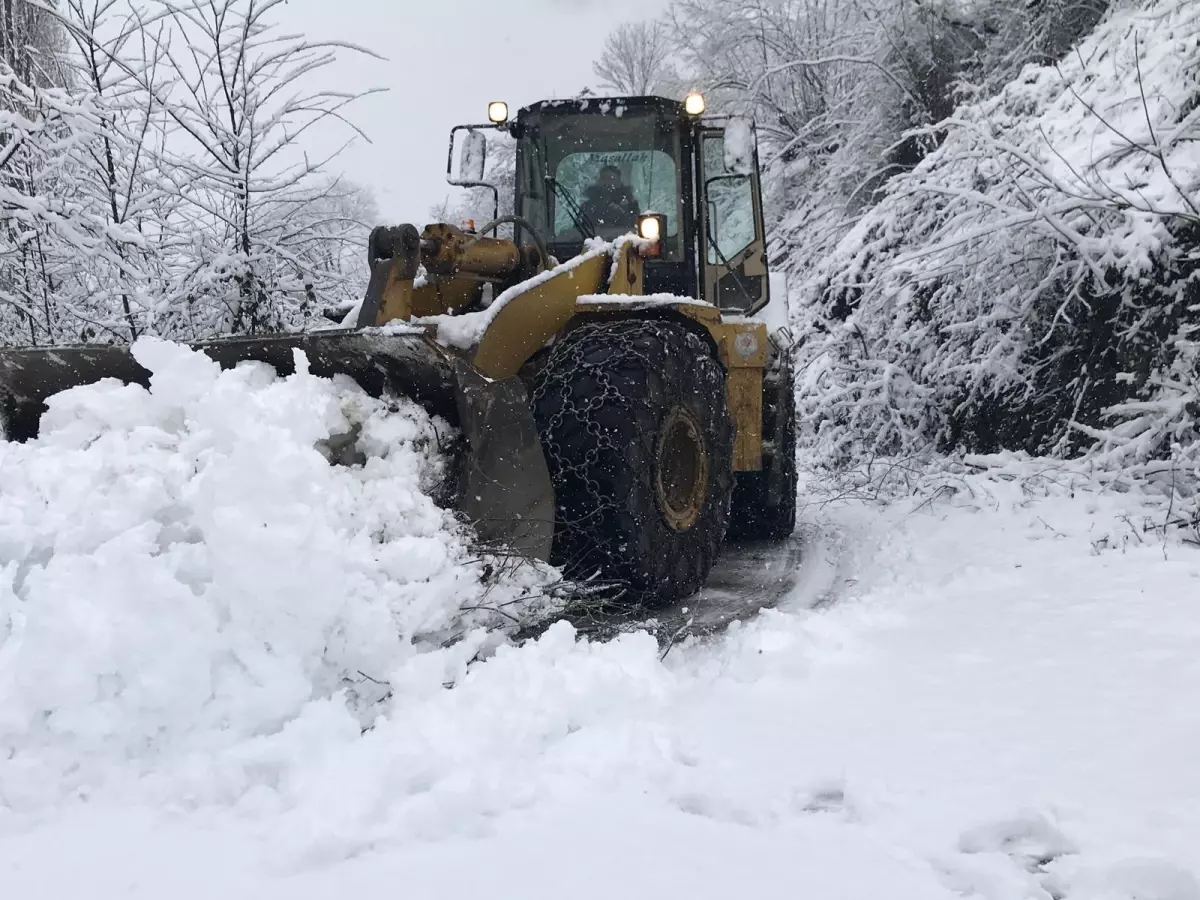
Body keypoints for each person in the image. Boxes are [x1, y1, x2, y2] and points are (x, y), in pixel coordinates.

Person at [579, 165, 641, 230]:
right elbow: (578, 230)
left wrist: (621, 214)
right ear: (599, 181)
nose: (607, 182)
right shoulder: (587, 206)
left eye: (611, 179)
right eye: (603, 178)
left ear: (619, 182)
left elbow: (635, 227)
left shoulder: (630, 204)